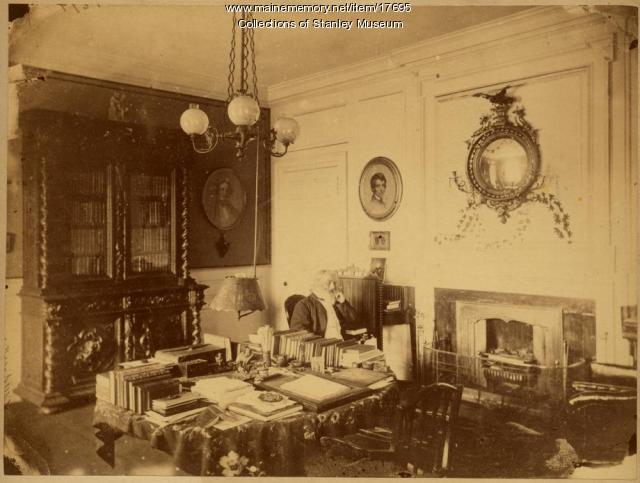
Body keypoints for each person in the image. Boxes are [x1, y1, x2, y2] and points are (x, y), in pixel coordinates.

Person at [289, 270, 364, 339]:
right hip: (323, 347)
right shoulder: (303, 305)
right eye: (328, 283)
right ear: (318, 285)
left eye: (334, 283)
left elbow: (354, 321)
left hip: (341, 343)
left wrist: (343, 303)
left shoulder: (335, 302)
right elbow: (299, 333)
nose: (333, 287)